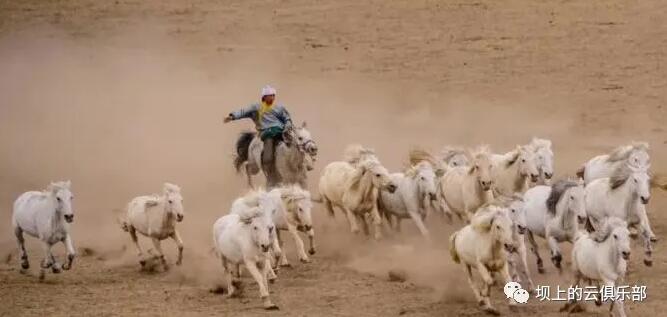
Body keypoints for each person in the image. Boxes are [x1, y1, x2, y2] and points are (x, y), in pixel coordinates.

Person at [224, 85, 293, 187]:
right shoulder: (256, 108)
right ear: (264, 97)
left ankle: (304, 164)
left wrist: (287, 126)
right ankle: (271, 174)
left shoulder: (279, 108)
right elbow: (243, 112)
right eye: (270, 96)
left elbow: (287, 118)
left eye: (273, 95)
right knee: (268, 157)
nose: (272, 97)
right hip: (268, 133)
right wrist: (232, 116)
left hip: (282, 131)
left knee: (298, 144)